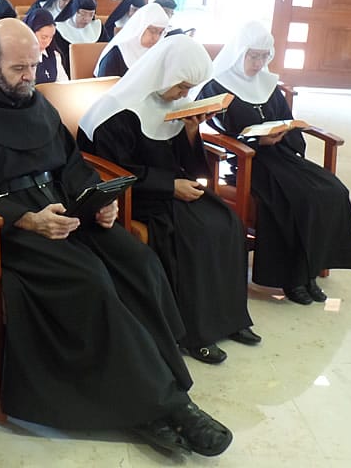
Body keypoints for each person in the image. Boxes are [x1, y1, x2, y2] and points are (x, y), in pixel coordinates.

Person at [0, 17, 233, 458]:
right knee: (92, 281)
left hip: (63, 210)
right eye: (19, 69)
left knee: (138, 262)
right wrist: (27, 220)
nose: (30, 76)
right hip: (6, 229)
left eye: (34, 66)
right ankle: (163, 405)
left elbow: (71, 164)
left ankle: (156, 390)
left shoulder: (36, 103)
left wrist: (97, 200)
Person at [78, 35, 260, 364]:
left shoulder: (173, 104)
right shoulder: (116, 112)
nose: (184, 95)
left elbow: (186, 165)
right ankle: (194, 333)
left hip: (172, 188)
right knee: (193, 235)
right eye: (181, 87)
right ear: (164, 75)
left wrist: (190, 133)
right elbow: (115, 172)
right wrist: (169, 186)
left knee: (228, 222)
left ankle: (230, 319)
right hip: (138, 196)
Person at [197, 21, 351, 305]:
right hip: (247, 164)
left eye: (264, 56)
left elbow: (285, 119)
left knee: (333, 190)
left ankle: (310, 270)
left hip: (282, 157)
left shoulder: (268, 85)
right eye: (253, 56)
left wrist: (284, 133)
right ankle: (292, 278)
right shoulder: (217, 85)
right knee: (296, 201)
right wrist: (257, 143)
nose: (259, 63)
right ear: (239, 53)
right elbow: (210, 129)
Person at [94, 2, 169, 77]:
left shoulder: (156, 52)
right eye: (153, 31)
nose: (156, 38)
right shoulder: (116, 53)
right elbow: (104, 85)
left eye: (160, 33)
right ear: (140, 26)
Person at [53, 0, 104, 73]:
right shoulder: (59, 29)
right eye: (83, 14)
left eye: (91, 15)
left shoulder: (97, 28)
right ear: (73, 11)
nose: (86, 19)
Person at [22, 8, 67, 83]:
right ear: (31, 33)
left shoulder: (55, 55)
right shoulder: (18, 57)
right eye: (44, 37)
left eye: (51, 37)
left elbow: (64, 82)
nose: (47, 42)